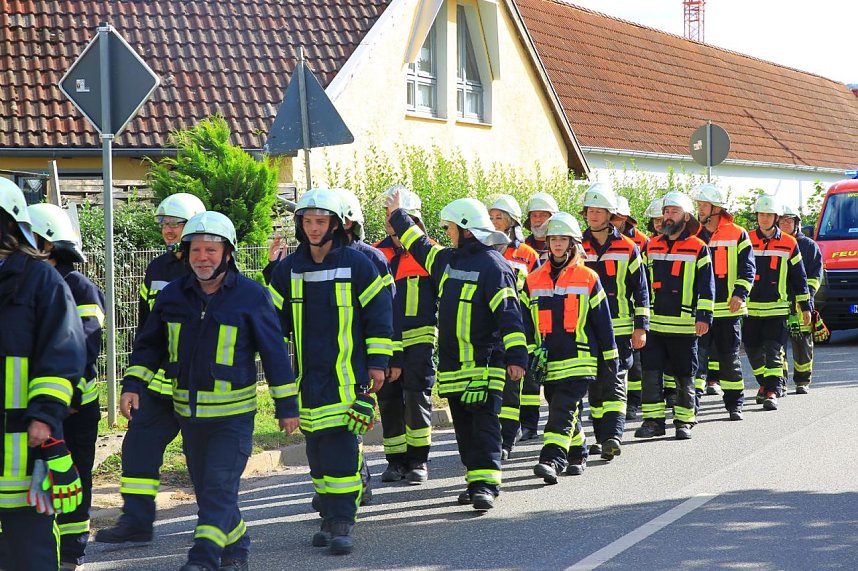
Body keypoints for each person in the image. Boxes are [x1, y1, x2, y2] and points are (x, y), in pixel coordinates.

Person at [121, 210, 298, 571]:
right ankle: (237, 545)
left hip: (232, 420)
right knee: (210, 495)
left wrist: (287, 406)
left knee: (217, 490)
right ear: (186, 254)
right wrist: (133, 383)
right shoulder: (171, 296)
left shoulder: (251, 296)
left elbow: (275, 354)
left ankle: (203, 560)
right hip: (189, 416)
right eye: (196, 250)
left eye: (211, 251)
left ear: (228, 254)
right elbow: (149, 345)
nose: (202, 258)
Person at [268, 188, 392, 554]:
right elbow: (271, 321)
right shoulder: (289, 269)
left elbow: (379, 316)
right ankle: (327, 516)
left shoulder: (358, 265)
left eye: (321, 221)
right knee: (318, 452)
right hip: (308, 381)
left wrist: (379, 363)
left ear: (336, 225)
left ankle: (342, 521)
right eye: (307, 221)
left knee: (339, 449)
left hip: (348, 378)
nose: (314, 228)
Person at [387, 192, 528, 510]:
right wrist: (398, 215)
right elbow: (420, 246)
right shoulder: (448, 261)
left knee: (485, 426)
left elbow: (509, 314)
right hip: (453, 368)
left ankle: (486, 484)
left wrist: (517, 357)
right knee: (464, 430)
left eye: (451, 228)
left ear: (466, 229)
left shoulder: (495, 267)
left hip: (484, 366)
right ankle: (475, 478)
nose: (447, 234)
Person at [96, 192, 206, 545]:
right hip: (159, 387)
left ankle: (215, 526)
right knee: (138, 448)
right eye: (164, 224)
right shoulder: (158, 268)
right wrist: (134, 382)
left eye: (175, 224)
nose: (168, 231)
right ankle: (137, 522)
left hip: (202, 389)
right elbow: (147, 330)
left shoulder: (211, 266)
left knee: (204, 460)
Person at [0, 178, 85, 570]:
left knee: (30, 550)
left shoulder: (41, 281)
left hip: (25, 447)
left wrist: (45, 414)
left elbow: (62, 351)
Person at [29, 203, 105, 570]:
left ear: (49, 246)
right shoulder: (25, 284)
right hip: (37, 406)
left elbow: (86, 344)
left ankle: (71, 552)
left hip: (75, 408)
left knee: (74, 478)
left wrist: (68, 396)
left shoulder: (79, 287)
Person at [525, 212, 618, 483]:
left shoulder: (588, 277)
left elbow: (603, 322)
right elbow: (523, 322)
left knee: (561, 409)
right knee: (564, 409)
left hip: (580, 360)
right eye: (553, 239)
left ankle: (551, 459)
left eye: (562, 239)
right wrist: (526, 352)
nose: (557, 244)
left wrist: (610, 358)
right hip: (548, 361)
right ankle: (578, 452)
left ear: (572, 243)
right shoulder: (533, 280)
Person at [635, 191, 714, 440]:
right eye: (666, 212)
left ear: (686, 216)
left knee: (684, 374)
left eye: (674, 212)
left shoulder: (698, 248)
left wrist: (704, 316)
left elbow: (706, 285)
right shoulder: (651, 245)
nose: (668, 217)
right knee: (651, 373)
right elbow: (641, 284)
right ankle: (653, 421)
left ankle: (684, 420)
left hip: (685, 326)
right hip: (655, 325)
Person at [374, 185, 438, 484]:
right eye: (389, 220)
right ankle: (395, 461)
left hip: (419, 343)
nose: (394, 227)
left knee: (416, 399)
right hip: (385, 342)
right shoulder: (376, 254)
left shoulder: (429, 253)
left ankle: (418, 460)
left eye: (398, 219)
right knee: (388, 401)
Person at [580, 184, 648, 461]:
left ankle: (613, 435)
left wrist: (641, 326)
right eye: (589, 211)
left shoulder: (628, 247)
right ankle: (600, 436)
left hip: (619, 328)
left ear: (610, 215)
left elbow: (641, 290)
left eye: (599, 211)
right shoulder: (577, 245)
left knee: (615, 382)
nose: (593, 216)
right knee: (594, 387)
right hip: (584, 329)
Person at [692, 183, 756, 420]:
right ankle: (692, 408)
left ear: (717, 209)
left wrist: (740, 294)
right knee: (697, 361)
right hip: (701, 312)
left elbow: (748, 267)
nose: (700, 209)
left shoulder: (738, 233)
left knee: (729, 361)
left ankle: (734, 405)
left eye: (704, 205)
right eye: (698, 205)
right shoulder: (694, 235)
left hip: (728, 311)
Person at [744, 195, 811, 411]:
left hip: (777, 309)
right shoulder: (746, 240)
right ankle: (765, 384)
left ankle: (772, 391)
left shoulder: (789, 243)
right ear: (757, 216)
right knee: (753, 351)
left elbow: (799, 279)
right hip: (750, 310)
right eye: (761, 214)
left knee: (774, 351)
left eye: (769, 215)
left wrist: (806, 307)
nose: (764, 219)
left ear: (776, 217)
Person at [488, 194, 540, 457]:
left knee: (514, 384)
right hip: (489, 330)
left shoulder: (527, 254)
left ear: (511, 223)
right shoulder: (485, 248)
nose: (494, 222)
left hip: (519, 327)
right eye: (491, 217)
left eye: (499, 218)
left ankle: (507, 439)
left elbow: (538, 293)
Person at [779, 204, 823, 394]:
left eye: (789, 220)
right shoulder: (774, 244)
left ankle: (802, 381)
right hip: (778, 302)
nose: (785, 223)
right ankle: (779, 382)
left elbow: (815, 276)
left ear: (797, 223)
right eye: (781, 220)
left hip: (800, 303)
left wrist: (807, 298)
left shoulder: (808, 246)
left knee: (802, 343)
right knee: (776, 345)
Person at [523, 192, 560, 263]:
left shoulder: (562, 247)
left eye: (543, 215)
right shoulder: (522, 246)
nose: (537, 220)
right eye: (534, 215)